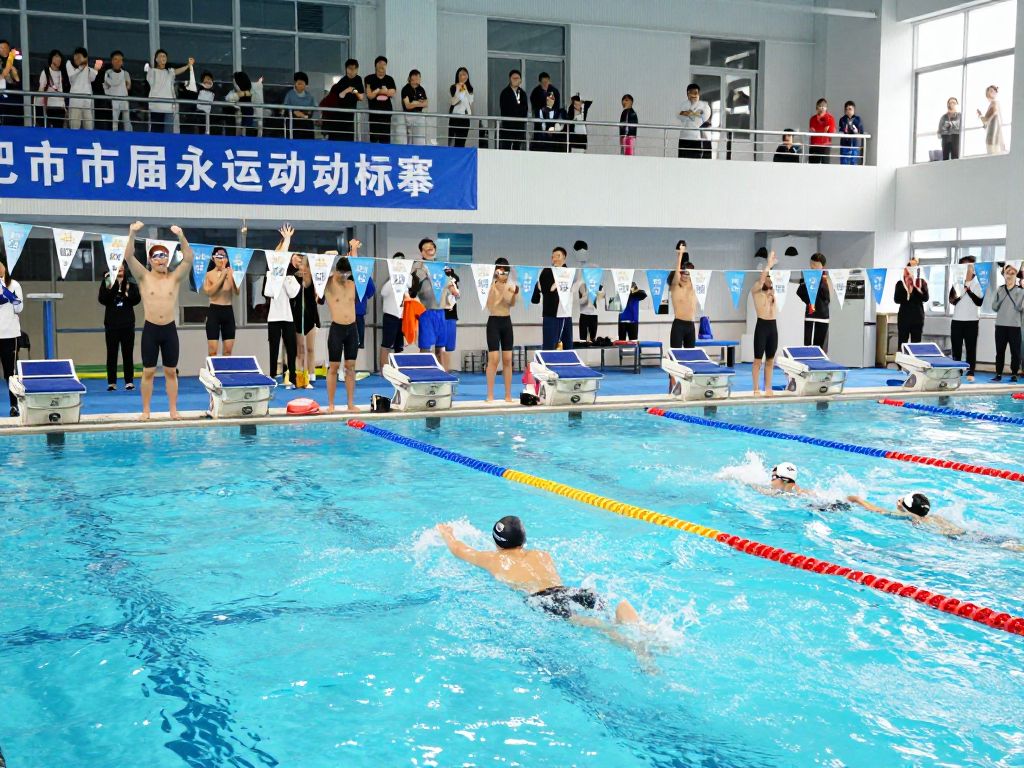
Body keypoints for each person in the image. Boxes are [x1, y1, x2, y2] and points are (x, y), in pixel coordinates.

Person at [435, 517, 649, 658]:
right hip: (572, 592)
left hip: (545, 600)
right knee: (605, 616)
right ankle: (638, 625)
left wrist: (447, 533)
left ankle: (635, 646)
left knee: (593, 626)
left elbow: (458, 549)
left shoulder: (493, 559)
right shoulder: (541, 554)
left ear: (497, 542)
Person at [123, 222, 194, 420]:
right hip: (151, 330)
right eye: (157, 256)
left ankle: (173, 409)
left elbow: (188, 259)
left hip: (169, 330)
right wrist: (132, 232)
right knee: (148, 372)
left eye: (164, 255)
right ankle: (146, 410)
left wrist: (181, 235)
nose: (161, 259)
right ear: (150, 260)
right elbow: (128, 255)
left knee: (171, 372)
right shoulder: (143, 277)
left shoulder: (174, 278)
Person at [323, 240, 362, 413]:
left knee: (351, 367)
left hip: (352, 329)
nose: (344, 277)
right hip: (337, 329)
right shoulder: (329, 283)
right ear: (336, 270)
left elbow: (359, 267)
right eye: (342, 273)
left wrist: (354, 250)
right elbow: (321, 268)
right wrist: (329, 255)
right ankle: (331, 404)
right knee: (333, 368)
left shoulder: (353, 283)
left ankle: (350, 403)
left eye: (347, 274)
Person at [263, 225, 300, 388]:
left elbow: (293, 294)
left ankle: (292, 376)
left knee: (292, 349)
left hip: (288, 317)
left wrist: (285, 279)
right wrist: (286, 240)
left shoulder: (291, 278)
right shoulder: (270, 274)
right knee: (274, 348)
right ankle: (272, 376)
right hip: (274, 317)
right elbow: (268, 292)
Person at [98, 264, 140, 392]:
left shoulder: (131, 283)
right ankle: (111, 382)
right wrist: (113, 284)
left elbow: (136, 299)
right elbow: (103, 299)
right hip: (111, 324)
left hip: (127, 324)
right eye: (117, 266)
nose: (120, 268)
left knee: (128, 354)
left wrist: (127, 292)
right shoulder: (107, 282)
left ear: (125, 269)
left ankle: (129, 381)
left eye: (122, 266)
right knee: (111, 354)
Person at [485, 258, 519, 402]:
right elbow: (491, 304)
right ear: (495, 271)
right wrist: (500, 287)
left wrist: (514, 293)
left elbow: (510, 303)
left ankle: (508, 394)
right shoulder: (490, 285)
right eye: (499, 270)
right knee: (493, 359)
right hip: (493, 322)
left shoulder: (511, 285)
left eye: (505, 270)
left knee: (507, 359)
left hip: (506, 322)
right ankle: (490, 394)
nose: (502, 272)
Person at [409, 238, 448, 361]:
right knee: (426, 348)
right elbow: (412, 292)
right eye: (425, 249)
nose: (429, 251)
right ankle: (424, 374)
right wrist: (420, 275)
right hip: (426, 311)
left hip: (442, 310)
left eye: (431, 248)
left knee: (441, 348)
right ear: (421, 252)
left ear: (435, 250)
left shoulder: (442, 266)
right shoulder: (418, 266)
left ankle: (441, 375)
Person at [532, 247, 574, 351]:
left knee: (568, 346)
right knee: (549, 346)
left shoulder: (570, 272)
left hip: (566, 314)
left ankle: (567, 367)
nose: (555, 258)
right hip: (551, 314)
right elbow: (547, 290)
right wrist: (557, 283)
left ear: (564, 257)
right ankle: (548, 366)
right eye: (553, 256)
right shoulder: (547, 271)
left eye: (558, 256)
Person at [949, 255, 982, 382]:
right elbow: (952, 300)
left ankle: (971, 371)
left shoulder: (978, 283)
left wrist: (969, 290)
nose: (967, 269)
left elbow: (979, 302)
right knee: (956, 348)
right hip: (957, 320)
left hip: (972, 321)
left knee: (971, 348)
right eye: (964, 266)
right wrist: (963, 289)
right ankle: (956, 370)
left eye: (969, 266)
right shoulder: (956, 283)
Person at [751, 250, 778, 396]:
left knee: (770, 360)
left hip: (773, 326)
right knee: (757, 360)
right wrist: (768, 264)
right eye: (768, 276)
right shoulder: (756, 289)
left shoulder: (774, 291)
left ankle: (768, 387)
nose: (770, 280)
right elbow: (761, 280)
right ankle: (756, 388)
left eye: (771, 277)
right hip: (762, 326)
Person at [202, 246, 238, 357]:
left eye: (223, 257)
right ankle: (212, 373)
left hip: (228, 311)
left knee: (228, 351)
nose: (220, 260)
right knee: (212, 351)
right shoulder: (208, 274)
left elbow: (236, 292)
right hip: (214, 312)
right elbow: (209, 292)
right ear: (213, 258)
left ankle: (225, 374)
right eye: (218, 257)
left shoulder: (231, 272)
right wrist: (222, 276)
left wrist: (231, 276)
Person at [290, 253, 319, 388]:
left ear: (307, 266)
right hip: (298, 316)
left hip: (311, 316)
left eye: (302, 263)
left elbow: (321, 300)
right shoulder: (294, 278)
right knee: (300, 349)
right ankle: (300, 374)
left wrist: (318, 294)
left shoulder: (315, 279)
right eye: (298, 263)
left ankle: (311, 373)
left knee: (311, 348)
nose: (300, 266)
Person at [991, 263, 1023, 382]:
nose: (1009, 275)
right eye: (1007, 272)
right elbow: (994, 307)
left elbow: (1019, 307)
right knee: (1000, 351)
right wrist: (1000, 298)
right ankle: (998, 374)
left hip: (1014, 326)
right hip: (1000, 325)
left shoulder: (1020, 291)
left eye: (1012, 273)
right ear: (1004, 274)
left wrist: (1017, 292)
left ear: (1016, 275)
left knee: (1015, 352)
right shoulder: (1000, 289)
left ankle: (1014, 373)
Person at [146, 49, 192, 133]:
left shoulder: (170, 72)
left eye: (164, 56)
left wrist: (188, 65)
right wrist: (148, 68)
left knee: (168, 132)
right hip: (157, 107)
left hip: (169, 107)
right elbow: (149, 74)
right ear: (156, 59)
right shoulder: (152, 71)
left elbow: (178, 70)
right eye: (160, 56)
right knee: (156, 131)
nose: (163, 58)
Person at [0, 258, 24, 417]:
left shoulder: (14, 285)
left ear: (5, 267)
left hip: (9, 335)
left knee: (10, 373)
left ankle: (14, 406)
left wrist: (12, 298)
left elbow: (20, 308)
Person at [321, 58, 363, 142]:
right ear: (346, 69)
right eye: (350, 69)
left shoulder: (358, 79)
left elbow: (361, 97)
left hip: (350, 115)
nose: (352, 71)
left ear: (357, 69)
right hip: (338, 115)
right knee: (336, 138)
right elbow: (340, 96)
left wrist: (353, 90)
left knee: (348, 140)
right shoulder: (341, 82)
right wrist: (347, 90)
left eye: (354, 69)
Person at [795, 253, 831, 350]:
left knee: (819, 346)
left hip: (823, 316)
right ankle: (807, 362)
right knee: (807, 344)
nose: (812, 266)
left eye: (815, 264)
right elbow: (799, 292)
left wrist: (821, 283)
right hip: (810, 315)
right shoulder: (807, 276)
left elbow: (828, 297)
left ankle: (818, 364)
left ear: (822, 265)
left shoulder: (827, 278)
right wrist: (809, 301)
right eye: (811, 264)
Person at [378, 252, 406, 372]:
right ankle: (383, 369)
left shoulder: (407, 279)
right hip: (390, 316)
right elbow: (383, 293)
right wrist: (394, 280)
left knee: (399, 346)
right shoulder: (389, 282)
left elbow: (411, 292)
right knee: (386, 344)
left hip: (403, 316)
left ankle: (399, 369)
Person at [894, 258, 929, 346]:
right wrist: (908, 291)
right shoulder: (900, 283)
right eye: (910, 268)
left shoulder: (921, 282)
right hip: (904, 317)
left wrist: (915, 287)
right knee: (902, 342)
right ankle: (901, 359)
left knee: (916, 343)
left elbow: (925, 298)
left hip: (917, 317)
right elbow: (896, 299)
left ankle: (915, 359)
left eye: (915, 268)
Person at [669, 242, 697, 349]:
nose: (686, 275)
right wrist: (680, 254)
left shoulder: (693, 285)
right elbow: (677, 272)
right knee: (676, 355)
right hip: (679, 325)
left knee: (689, 357)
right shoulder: (676, 286)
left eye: (688, 273)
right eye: (684, 272)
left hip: (691, 325)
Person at [364, 56, 396, 144]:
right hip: (374, 113)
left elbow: (392, 93)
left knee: (385, 139)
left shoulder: (390, 79)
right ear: (375, 65)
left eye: (384, 64)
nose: (382, 66)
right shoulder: (369, 78)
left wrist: (376, 91)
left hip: (386, 113)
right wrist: (382, 90)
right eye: (380, 63)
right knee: (374, 138)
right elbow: (369, 95)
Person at [65, 47, 98, 130]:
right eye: (75, 56)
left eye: (79, 57)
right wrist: (80, 68)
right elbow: (71, 77)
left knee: (89, 128)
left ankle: (88, 143)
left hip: (86, 102)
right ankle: (74, 143)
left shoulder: (87, 68)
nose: (76, 58)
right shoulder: (69, 64)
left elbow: (92, 78)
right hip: (75, 102)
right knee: (74, 127)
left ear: (85, 58)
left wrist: (96, 69)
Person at [678, 83, 711, 159]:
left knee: (696, 161)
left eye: (695, 93)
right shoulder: (683, 105)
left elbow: (703, 116)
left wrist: (689, 113)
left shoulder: (704, 106)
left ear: (698, 93)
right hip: (684, 138)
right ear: (687, 94)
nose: (693, 95)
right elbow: (680, 115)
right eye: (690, 93)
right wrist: (693, 113)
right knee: (682, 161)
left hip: (696, 138)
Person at [498, 69, 528, 150]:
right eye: (513, 78)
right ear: (510, 79)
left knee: (517, 150)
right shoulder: (505, 93)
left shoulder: (522, 93)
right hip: (507, 127)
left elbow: (525, 109)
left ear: (520, 80)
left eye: (517, 78)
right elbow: (504, 109)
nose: (515, 80)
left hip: (519, 128)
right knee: (505, 149)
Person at [36, 50, 67, 128]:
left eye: (59, 57)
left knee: (59, 131)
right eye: (56, 56)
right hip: (48, 107)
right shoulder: (46, 72)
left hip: (60, 107)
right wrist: (40, 108)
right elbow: (41, 90)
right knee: (48, 131)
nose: (58, 59)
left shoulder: (63, 72)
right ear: (51, 59)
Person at [103, 50, 132, 132]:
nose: (118, 62)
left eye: (120, 60)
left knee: (127, 120)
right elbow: (106, 86)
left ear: (122, 62)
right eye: (116, 59)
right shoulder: (108, 72)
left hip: (124, 99)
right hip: (113, 100)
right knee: (114, 122)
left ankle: (129, 136)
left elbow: (129, 86)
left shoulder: (126, 73)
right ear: (112, 61)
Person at [283, 71, 316, 140]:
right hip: (293, 123)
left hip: (306, 125)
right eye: (296, 83)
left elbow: (311, 112)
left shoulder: (310, 97)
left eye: (300, 83)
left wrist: (302, 114)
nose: (297, 85)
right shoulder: (290, 94)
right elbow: (284, 110)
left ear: (306, 85)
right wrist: (295, 113)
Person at [401, 69, 429, 145]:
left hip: (420, 115)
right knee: (410, 139)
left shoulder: (421, 89)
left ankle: (420, 154)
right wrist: (418, 103)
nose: (418, 79)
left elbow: (426, 103)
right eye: (416, 77)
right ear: (411, 78)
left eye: (419, 77)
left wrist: (414, 103)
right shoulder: (405, 89)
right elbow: (408, 106)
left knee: (420, 139)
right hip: (409, 115)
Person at [448, 67, 474, 147]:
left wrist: (466, 89)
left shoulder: (470, 88)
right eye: (461, 74)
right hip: (455, 117)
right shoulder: (454, 87)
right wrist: (462, 88)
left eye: (465, 74)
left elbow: (470, 103)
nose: (464, 76)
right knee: (452, 143)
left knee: (461, 143)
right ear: (458, 76)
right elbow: (455, 101)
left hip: (465, 119)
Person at [441, 266, 460, 372]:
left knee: (449, 346)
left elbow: (457, 295)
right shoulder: (441, 284)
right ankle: (442, 368)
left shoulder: (454, 283)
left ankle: (446, 369)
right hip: (443, 315)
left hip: (451, 316)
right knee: (441, 345)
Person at [0, 39, 23, 127]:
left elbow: (18, 81)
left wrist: (16, 75)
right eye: (1, 48)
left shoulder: (15, 62)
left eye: (5, 47)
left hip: (14, 97)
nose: (3, 49)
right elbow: (4, 74)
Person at [977, 85, 1004, 155]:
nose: (993, 92)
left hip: (993, 137)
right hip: (995, 136)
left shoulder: (994, 104)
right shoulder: (995, 104)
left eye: (994, 91)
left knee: (993, 157)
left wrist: (980, 114)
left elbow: (985, 120)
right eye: (991, 91)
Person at [808, 98, 835, 164]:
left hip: (826, 145)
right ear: (816, 107)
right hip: (814, 145)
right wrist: (824, 130)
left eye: (824, 106)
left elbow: (831, 131)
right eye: (820, 106)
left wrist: (826, 122)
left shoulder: (830, 118)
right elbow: (812, 131)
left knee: (825, 165)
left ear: (826, 108)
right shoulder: (813, 118)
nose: (822, 108)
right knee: (813, 165)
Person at [837, 100, 863, 165]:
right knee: (843, 161)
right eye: (846, 109)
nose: (848, 111)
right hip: (844, 143)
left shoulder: (858, 119)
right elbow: (841, 130)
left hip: (854, 143)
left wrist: (855, 130)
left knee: (853, 161)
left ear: (854, 110)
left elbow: (861, 131)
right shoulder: (842, 119)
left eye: (850, 109)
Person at [355, 275, 376, 352]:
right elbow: (371, 290)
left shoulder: (346, 273)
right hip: (359, 307)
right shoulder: (364, 274)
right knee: (359, 324)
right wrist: (364, 296)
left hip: (346, 310)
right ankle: (361, 342)